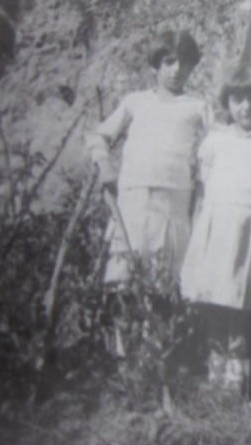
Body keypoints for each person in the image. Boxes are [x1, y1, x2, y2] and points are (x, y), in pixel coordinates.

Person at [87, 30, 210, 291]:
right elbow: (100, 136)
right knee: (124, 279)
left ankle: (159, 330)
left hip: (174, 203)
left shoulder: (197, 107)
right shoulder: (136, 102)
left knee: (163, 282)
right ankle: (123, 330)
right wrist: (105, 165)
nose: (177, 69)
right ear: (155, 65)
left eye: (184, 62)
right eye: (168, 61)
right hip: (135, 199)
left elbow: (220, 145)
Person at [179, 69, 251, 394]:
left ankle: (237, 381)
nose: (246, 107)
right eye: (238, 99)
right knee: (214, 305)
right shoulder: (216, 140)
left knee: (240, 305)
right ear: (228, 102)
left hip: (247, 230)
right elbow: (203, 188)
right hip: (215, 227)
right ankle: (214, 375)